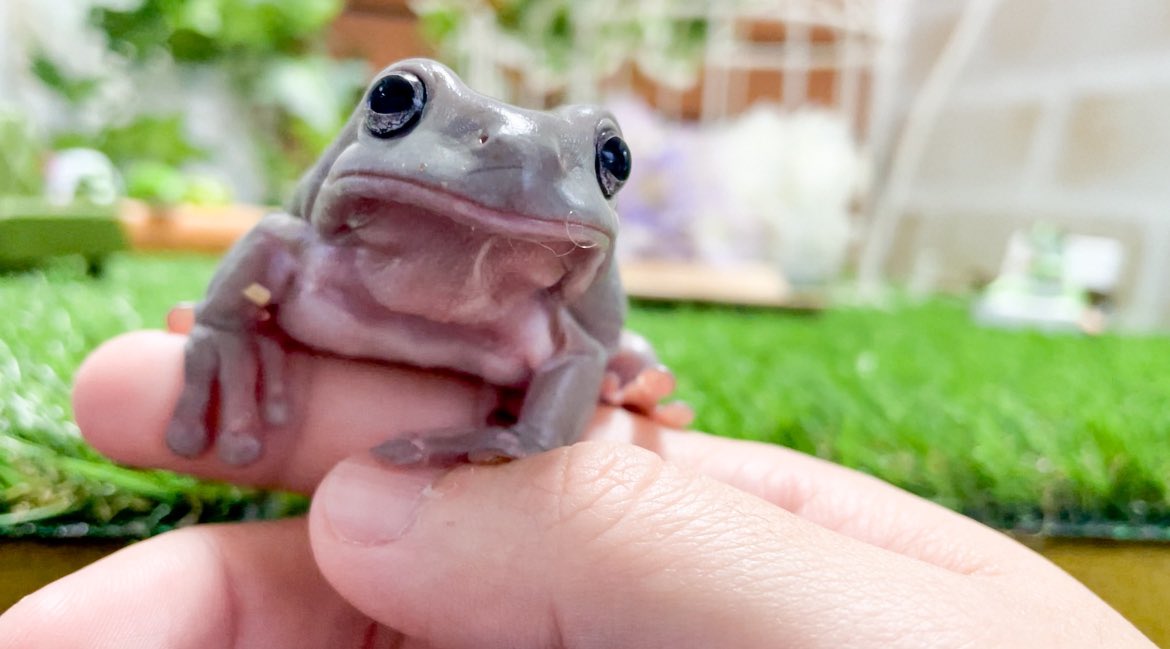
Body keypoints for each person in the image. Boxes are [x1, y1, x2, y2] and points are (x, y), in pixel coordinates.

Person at [0, 331, 1154, 648]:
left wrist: (535, 457)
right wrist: (225, 331)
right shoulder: (309, 250)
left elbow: (580, 352)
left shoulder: (559, 315)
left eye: (603, 163)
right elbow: (264, 255)